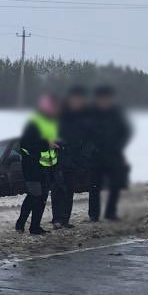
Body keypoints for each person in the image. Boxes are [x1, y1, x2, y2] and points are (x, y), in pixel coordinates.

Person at [15, 93, 61, 236]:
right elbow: (27, 144)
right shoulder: (34, 122)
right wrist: (46, 144)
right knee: (34, 195)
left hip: (48, 167)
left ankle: (35, 227)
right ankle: (20, 223)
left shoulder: (53, 122)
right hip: (33, 166)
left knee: (41, 198)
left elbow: (53, 141)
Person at [86, 84, 132, 221]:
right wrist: (92, 147)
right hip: (96, 156)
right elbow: (85, 133)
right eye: (102, 99)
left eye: (107, 99)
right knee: (94, 187)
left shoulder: (116, 112)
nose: (104, 101)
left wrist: (118, 145)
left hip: (113, 155)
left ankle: (110, 212)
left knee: (115, 185)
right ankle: (93, 215)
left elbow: (125, 131)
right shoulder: (91, 113)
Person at [54, 85, 92, 228]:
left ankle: (65, 219)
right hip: (59, 157)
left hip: (75, 159)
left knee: (69, 190)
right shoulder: (61, 115)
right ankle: (57, 219)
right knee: (58, 189)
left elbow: (89, 139)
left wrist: (84, 157)